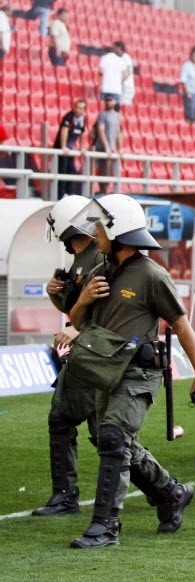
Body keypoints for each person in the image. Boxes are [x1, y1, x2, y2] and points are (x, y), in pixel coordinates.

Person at [67, 194, 195, 548]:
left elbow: (181, 325)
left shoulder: (152, 275)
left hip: (139, 372)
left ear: (118, 230)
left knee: (114, 438)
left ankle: (105, 527)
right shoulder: (98, 272)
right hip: (104, 370)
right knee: (112, 440)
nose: (96, 234)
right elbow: (75, 322)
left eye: (102, 226)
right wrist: (83, 300)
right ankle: (171, 493)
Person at [31, 196, 104, 517]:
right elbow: (77, 310)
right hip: (87, 351)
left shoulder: (97, 258)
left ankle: (65, 495)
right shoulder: (81, 259)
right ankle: (164, 490)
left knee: (101, 432)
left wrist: (78, 328)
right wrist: (56, 296)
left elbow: (106, 310)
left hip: (95, 352)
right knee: (94, 430)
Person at [52, 99, 88, 199]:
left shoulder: (82, 119)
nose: (78, 110)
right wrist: (63, 147)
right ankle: (61, 195)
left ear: (84, 110)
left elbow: (82, 133)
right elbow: (64, 131)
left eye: (80, 108)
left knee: (71, 170)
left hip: (70, 149)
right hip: (62, 149)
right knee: (62, 170)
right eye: (76, 107)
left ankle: (70, 193)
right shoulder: (69, 117)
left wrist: (82, 147)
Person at [91, 94, 122, 194]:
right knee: (103, 171)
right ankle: (102, 191)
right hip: (103, 147)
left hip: (111, 147)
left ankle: (105, 191)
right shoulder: (102, 114)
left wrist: (119, 147)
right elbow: (101, 130)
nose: (108, 102)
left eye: (110, 100)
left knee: (109, 172)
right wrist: (106, 146)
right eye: (107, 100)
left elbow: (118, 132)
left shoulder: (116, 115)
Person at [179, 47, 195, 124]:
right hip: (191, 93)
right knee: (190, 114)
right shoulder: (186, 66)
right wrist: (187, 93)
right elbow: (183, 80)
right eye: (194, 55)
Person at [119, 42, 135, 109]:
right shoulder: (120, 58)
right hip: (123, 86)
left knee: (125, 106)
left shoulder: (125, 57)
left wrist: (121, 80)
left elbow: (128, 71)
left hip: (127, 86)